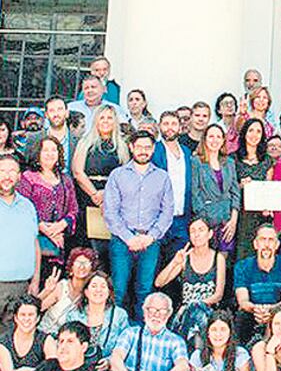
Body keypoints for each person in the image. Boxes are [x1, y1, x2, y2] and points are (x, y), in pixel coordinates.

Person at [103, 131, 174, 320]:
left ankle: (143, 333)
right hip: (122, 241)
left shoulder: (162, 177)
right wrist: (129, 238)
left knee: (145, 291)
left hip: (151, 241)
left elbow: (167, 212)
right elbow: (110, 211)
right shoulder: (117, 175)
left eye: (148, 147)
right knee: (118, 291)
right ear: (131, 147)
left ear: (153, 150)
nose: (143, 151)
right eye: (139, 146)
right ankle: (115, 332)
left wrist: (150, 237)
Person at [154, 217, 226, 349]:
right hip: (185, 314)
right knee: (191, 316)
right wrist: (175, 262)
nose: (197, 234)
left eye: (201, 230)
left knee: (198, 314)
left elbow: (218, 295)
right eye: (193, 231)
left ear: (210, 234)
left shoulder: (218, 258)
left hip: (209, 311)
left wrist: (197, 304)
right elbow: (159, 283)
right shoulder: (184, 257)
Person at [71, 104, 129, 260]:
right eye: (102, 117)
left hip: (113, 198)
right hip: (88, 198)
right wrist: (95, 194)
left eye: (109, 118)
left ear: (115, 121)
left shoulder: (122, 146)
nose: (105, 121)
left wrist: (107, 195)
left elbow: (125, 175)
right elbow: (77, 171)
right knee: (89, 248)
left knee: (108, 249)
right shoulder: (85, 142)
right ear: (95, 120)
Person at [17, 137, 78, 270]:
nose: (50, 154)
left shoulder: (65, 179)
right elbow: (21, 208)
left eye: (53, 150)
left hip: (60, 239)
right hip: (34, 239)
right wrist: (43, 228)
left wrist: (60, 226)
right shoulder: (28, 177)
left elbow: (73, 209)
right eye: (45, 150)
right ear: (38, 154)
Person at [233, 224, 281, 343]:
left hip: (279, 314)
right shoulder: (242, 267)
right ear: (255, 244)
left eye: (271, 240)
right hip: (252, 314)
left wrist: (270, 311)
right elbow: (243, 301)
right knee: (241, 318)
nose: (266, 244)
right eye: (263, 239)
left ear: (277, 245)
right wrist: (257, 310)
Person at [64, 272, 129, 371]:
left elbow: (125, 345)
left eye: (103, 286)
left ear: (109, 292)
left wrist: (109, 361)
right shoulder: (74, 315)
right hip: (76, 368)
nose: (98, 290)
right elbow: (65, 342)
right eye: (94, 286)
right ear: (86, 292)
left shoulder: (119, 315)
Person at [0, 156, 39, 324]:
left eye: (11, 171)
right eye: (2, 171)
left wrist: (35, 280)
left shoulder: (28, 206)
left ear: (19, 176)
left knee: (11, 342)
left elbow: (34, 243)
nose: (6, 176)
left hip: (21, 286)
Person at [191, 124, 240, 257]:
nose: (215, 140)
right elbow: (195, 193)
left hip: (227, 219)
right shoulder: (196, 162)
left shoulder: (229, 162)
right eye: (211, 136)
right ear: (204, 139)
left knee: (223, 259)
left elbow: (235, 192)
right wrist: (205, 223)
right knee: (206, 257)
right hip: (206, 219)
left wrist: (233, 220)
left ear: (223, 140)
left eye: (219, 136)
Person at [152, 111, 193, 267]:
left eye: (173, 124)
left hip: (182, 218)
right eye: (166, 124)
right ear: (159, 126)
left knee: (178, 266)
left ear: (180, 127)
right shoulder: (154, 150)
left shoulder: (186, 152)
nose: (170, 128)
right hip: (159, 218)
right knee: (156, 265)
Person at [234, 118, 272, 261]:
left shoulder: (267, 161)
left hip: (260, 215)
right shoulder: (234, 159)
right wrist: (240, 185)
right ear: (244, 133)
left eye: (258, 131)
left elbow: (269, 187)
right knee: (240, 252)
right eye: (251, 130)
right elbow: (229, 189)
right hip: (240, 214)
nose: (254, 134)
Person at [36, 248, 96, 334]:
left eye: (86, 263)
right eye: (78, 263)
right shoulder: (62, 287)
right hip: (47, 334)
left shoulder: (92, 293)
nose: (81, 267)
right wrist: (46, 291)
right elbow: (35, 308)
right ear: (71, 268)